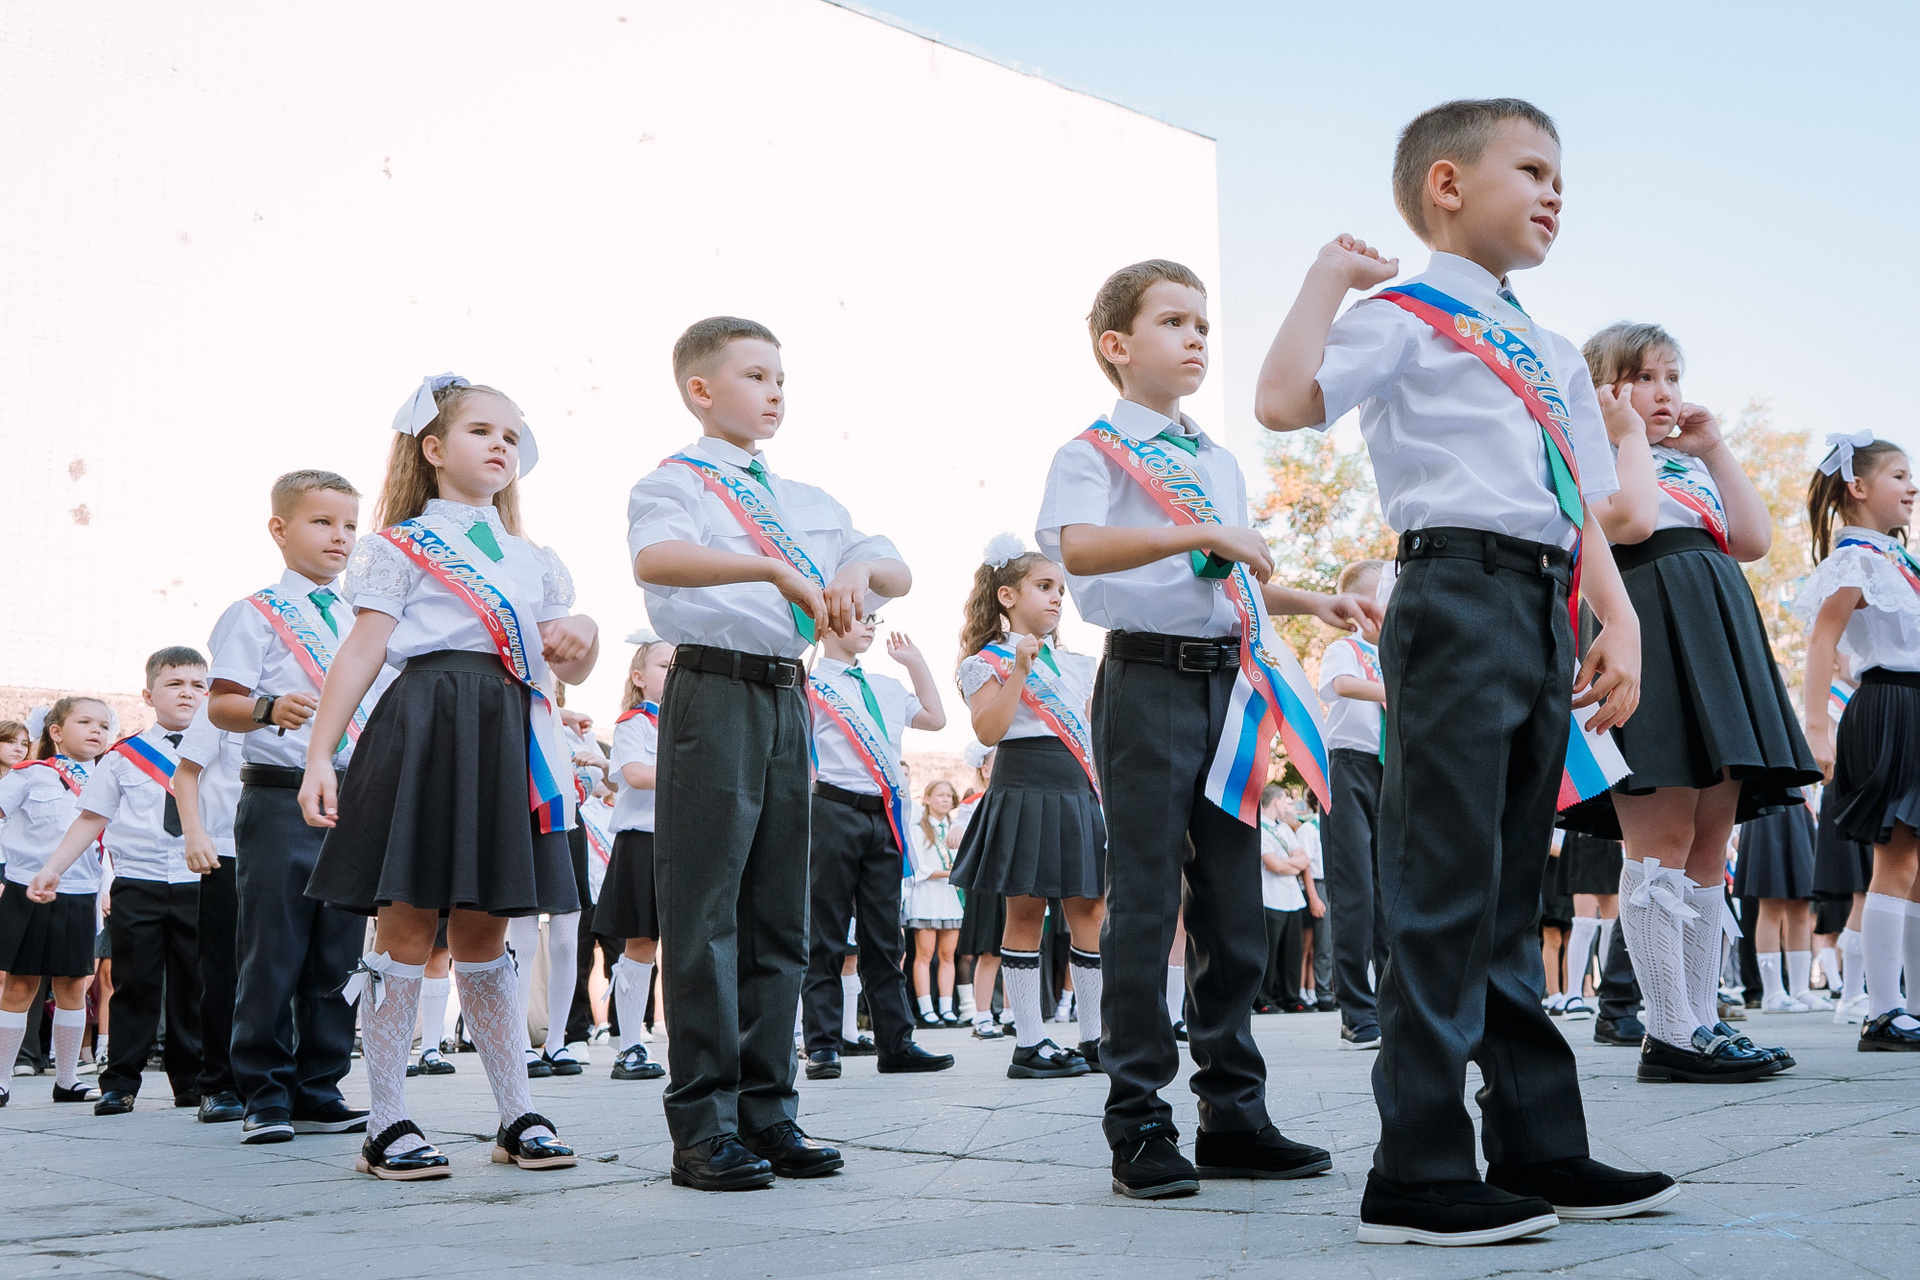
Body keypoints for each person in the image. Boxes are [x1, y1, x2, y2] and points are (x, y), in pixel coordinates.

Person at [1255, 99, 1677, 1241]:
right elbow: (1284, 403)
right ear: (1447, 184)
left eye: (1560, 175)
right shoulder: (1403, 317)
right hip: (1451, 591)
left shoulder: (1551, 349)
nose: (1554, 192)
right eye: (1531, 169)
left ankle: (1540, 1142)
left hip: (1544, 603)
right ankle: (1418, 1165)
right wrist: (1326, 281)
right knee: (1443, 880)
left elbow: (1584, 508)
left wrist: (1619, 620)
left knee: (1507, 888)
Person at [1041, 259, 1364, 1200]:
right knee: (1145, 902)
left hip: (1229, 685)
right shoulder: (1092, 452)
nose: (1196, 339)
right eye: (1174, 322)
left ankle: (1234, 1113)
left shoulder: (1215, 459)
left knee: (1233, 904)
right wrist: (1199, 535)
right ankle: (1139, 1119)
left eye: (1204, 325)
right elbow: (1079, 549)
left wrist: (1310, 599)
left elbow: (1231, 580)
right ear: (1117, 345)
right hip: (1144, 681)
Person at [628, 317, 909, 1190]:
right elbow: (657, 559)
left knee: (779, 913)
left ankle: (769, 1111)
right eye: (755, 375)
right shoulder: (676, 481)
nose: (775, 392)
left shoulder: (807, 499)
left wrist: (857, 576)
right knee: (706, 911)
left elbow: (892, 566)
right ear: (701, 389)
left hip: (790, 696)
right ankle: (704, 1125)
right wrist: (775, 573)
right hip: (714, 690)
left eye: (781, 377)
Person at [301, 373, 597, 1179]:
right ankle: (386, 1121)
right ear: (433, 448)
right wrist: (321, 755)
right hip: (428, 724)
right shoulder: (397, 545)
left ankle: (517, 1112)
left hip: (508, 732)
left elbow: (569, 661)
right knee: (405, 926)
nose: (501, 444)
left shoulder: (535, 558)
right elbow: (362, 650)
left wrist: (584, 632)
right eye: (481, 431)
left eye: (512, 435)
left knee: (487, 930)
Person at [1563, 320, 1815, 1081]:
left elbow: (1752, 539)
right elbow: (1632, 522)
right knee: (1661, 836)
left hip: (1715, 634)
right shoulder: (1589, 453)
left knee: (1709, 841)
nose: (1665, 392)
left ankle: (1702, 1020)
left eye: (1672, 377)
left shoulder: (1683, 461)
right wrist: (1625, 433)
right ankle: (1668, 1029)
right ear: (1604, 388)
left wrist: (1714, 450)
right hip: (1648, 631)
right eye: (1644, 377)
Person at [202, 469, 382, 1145]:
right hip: (280, 798)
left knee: (338, 953)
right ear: (280, 529)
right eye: (322, 522)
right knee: (273, 949)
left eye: (349, 525)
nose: (340, 537)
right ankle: (264, 1091)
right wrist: (269, 708)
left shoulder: (366, 615)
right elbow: (221, 703)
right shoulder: (255, 613)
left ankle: (319, 1086)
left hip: (353, 798)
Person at [952, 536, 1104, 1077]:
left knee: (1090, 909)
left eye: (1060, 588)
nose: (1057, 597)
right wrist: (1018, 669)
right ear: (1007, 595)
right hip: (1022, 783)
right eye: (1044, 586)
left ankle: (1095, 1037)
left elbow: (1093, 734)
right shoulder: (984, 662)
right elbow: (988, 730)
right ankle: (1030, 1042)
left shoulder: (1078, 664)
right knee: (1026, 911)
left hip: (1075, 786)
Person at [35, 650, 211, 1114]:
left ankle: (193, 1081)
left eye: (197, 685)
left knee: (195, 983)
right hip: (139, 880)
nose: (187, 693)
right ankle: (120, 1081)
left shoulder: (223, 748)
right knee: (133, 981)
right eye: (174, 684)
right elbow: (91, 818)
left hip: (200, 879)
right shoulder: (121, 757)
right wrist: (53, 868)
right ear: (148, 695)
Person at [1797, 434, 1920, 1051]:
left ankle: (1911, 1006)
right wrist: (1816, 728)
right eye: (1899, 475)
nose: (1912, 487)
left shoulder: (1895, 558)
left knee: (1916, 868)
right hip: (1891, 704)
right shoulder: (1858, 559)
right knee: (1897, 859)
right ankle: (1883, 1009)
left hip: (1912, 703)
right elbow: (1822, 641)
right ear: (1859, 486)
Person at [802, 621, 953, 1081]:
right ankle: (822, 1044)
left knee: (885, 937)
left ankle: (896, 1042)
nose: (869, 623)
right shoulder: (810, 682)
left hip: (884, 816)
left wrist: (916, 663)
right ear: (827, 621)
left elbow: (935, 718)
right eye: (859, 614)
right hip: (832, 809)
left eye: (874, 617)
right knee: (826, 933)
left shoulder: (886, 685)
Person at [0, 697, 113, 1105]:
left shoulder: (109, 777)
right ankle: (1, 1079)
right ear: (56, 732)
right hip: (26, 889)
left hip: (80, 892)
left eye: (103, 724)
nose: (96, 730)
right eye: (84, 722)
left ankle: (67, 1079)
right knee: (20, 983)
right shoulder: (31, 774)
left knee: (73, 985)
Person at [1316, 560, 1387, 1046]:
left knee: (1388, 892)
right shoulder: (1346, 648)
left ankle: (1392, 1003)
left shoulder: (1399, 652)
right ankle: (1356, 1012)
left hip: (1391, 770)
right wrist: (1394, 688)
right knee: (1354, 891)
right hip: (1349, 768)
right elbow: (1341, 685)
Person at [596, 640, 669, 1082]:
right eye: (664, 665)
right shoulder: (634, 723)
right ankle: (629, 1046)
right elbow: (637, 775)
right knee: (641, 944)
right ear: (639, 677)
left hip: (686, 842)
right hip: (643, 842)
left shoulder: (690, 722)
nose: (674, 672)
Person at [172, 698, 247, 1121]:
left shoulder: (325, 690)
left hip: (298, 843)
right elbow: (186, 772)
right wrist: (194, 833)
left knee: (289, 967)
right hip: (227, 849)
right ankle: (220, 1083)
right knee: (223, 969)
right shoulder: (221, 704)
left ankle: (289, 1080)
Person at [1734, 802, 1821, 1013]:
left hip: (1799, 806)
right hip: (1768, 800)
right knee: (1772, 902)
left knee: (1801, 903)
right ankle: (1772, 992)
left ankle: (1800, 989)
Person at [950, 744, 1006, 1037]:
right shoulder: (973, 803)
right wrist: (957, 830)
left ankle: (1012, 1014)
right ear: (986, 770)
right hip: (987, 883)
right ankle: (982, 1016)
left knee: (1019, 951)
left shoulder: (1022, 799)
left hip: (1015, 880)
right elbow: (957, 829)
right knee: (990, 950)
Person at [906, 779, 964, 1026]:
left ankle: (947, 1008)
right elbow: (919, 868)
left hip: (949, 899)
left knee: (947, 955)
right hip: (926, 898)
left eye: (949, 796)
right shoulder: (918, 830)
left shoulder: (954, 828)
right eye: (940, 795)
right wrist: (951, 873)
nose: (945, 799)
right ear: (927, 799)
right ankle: (926, 1009)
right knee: (925, 954)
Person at [1256, 785, 1310, 1015]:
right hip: (1271, 898)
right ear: (1275, 801)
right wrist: (1290, 864)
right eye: (1285, 800)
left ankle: (1291, 997)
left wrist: (1287, 864)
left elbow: (1304, 860)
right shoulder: (1260, 828)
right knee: (1271, 952)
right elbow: (1273, 865)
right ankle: (1264, 998)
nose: (1287, 805)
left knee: (1292, 952)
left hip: (1292, 899)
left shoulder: (1284, 828)